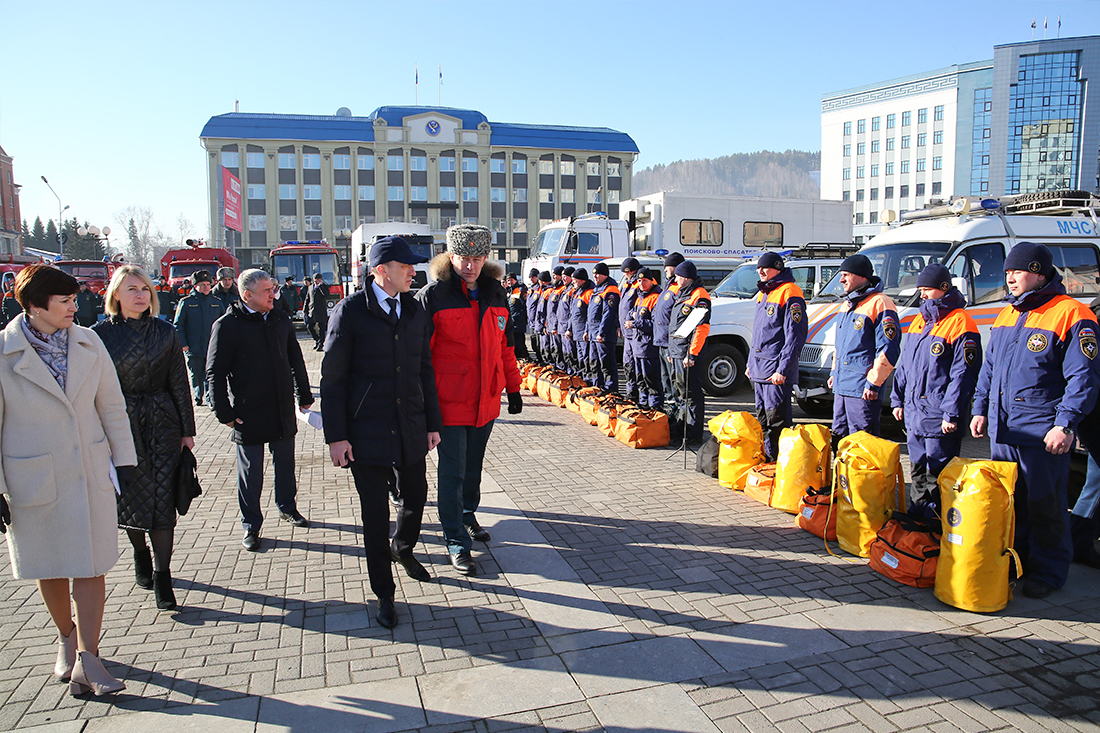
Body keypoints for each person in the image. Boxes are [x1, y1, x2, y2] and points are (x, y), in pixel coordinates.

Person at [0, 264, 137, 696]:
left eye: (75, 300)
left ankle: (88, 658)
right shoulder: (5, 351)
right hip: (34, 476)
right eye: (64, 302)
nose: (74, 308)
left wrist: (126, 463)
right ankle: (66, 635)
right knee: (52, 564)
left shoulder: (87, 340)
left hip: (88, 471)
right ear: (35, 306)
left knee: (92, 565)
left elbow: (111, 405)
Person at [322, 236, 443, 629]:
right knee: (374, 516)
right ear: (381, 270)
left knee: (417, 497)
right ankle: (384, 594)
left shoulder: (414, 309)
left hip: (409, 425)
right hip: (365, 433)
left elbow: (425, 369)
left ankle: (403, 548)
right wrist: (336, 436)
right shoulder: (350, 312)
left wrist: (432, 424)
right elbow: (332, 379)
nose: (413, 271)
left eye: (414, 265)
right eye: (405, 266)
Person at [971, 242, 1099, 599]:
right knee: (1012, 502)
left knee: (1045, 504)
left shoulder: (1071, 314)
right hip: (1005, 430)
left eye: (1018, 272)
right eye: (1008, 272)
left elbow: (1083, 378)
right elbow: (990, 369)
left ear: (1039, 273)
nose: (1010, 278)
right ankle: (1019, 560)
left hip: (1043, 432)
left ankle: (1050, 570)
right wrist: (980, 408)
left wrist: (1066, 424)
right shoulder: (1007, 314)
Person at [416, 225, 522, 576]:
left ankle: (467, 514)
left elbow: (506, 347)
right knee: (452, 471)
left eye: (478, 259)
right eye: (464, 258)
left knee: (473, 466)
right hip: (449, 403)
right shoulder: (434, 296)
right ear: (451, 257)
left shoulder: (495, 293)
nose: (471, 266)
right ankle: (455, 540)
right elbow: (421, 356)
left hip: (486, 401)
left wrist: (514, 387)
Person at [93, 266, 196, 611]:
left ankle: (163, 576)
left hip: (163, 423)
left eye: (144, 289)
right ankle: (141, 553)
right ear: (116, 295)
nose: (140, 295)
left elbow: (179, 384)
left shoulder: (164, 332)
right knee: (133, 500)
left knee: (163, 502)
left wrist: (187, 432)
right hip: (120, 425)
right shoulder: (98, 335)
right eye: (131, 289)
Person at [207, 269, 314, 551]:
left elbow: (295, 357)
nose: (273, 294)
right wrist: (224, 413)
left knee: (286, 465)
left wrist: (303, 393)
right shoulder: (227, 325)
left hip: (281, 407)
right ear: (247, 295)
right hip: (248, 411)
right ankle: (251, 525)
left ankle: (287, 507)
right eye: (267, 290)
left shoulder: (279, 318)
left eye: (274, 288)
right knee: (251, 473)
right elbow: (214, 373)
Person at [890, 264, 981, 514]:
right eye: (920, 290)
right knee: (918, 470)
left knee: (938, 475)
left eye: (927, 289)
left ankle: (938, 527)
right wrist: (897, 399)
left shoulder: (961, 323)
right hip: (915, 412)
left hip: (938, 416)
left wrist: (951, 413)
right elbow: (905, 364)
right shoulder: (921, 319)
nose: (923, 295)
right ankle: (919, 526)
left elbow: (963, 375)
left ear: (943, 288)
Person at [828, 254, 901, 442]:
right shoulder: (847, 304)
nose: (841, 279)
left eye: (846, 275)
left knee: (862, 442)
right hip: (842, 386)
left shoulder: (880, 303)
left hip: (862, 389)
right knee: (840, 438)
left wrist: (874, 383)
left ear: (861, 276)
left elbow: (888, 348)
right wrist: (834, 373)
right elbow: (841, 346)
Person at [748, 252, 808, 461]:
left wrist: (783, 369)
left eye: (765, 268)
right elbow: (758, 333)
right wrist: (750, 363)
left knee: (777, 421)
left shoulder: (790, 291)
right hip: (759, 368)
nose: (760, 271)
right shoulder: (764, 293)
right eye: (758, 268)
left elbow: (795, 336)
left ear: (778, 267)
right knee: (763, 419)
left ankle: (779, 466)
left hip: (775, 370)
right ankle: (768, 461)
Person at [667, 260, 711, 446]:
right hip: (677, 352)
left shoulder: (699, 296)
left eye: (677, 275)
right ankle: (682, 428)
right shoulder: (682, 294)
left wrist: (691, 354)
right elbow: (680, 327)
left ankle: (693, 433)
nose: (675, 278)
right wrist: (672, 351)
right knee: (680, 392)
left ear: (685, 277)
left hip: (687, 355)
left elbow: (700, 328)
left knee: (691, 395)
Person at [173, 270, 223, 406]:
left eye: (208, 284)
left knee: (210, 374)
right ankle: (197, 396)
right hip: (194, 347)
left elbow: (224, 325)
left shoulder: (216, 302)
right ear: (195, 286)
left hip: (212, 347)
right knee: (196, 375)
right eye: (202, 285)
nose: (206, 287)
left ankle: (210, 398)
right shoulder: (187, 303)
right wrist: (183, 344)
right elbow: (178, 325)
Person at [624, 267, 663, 409]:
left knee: (650, 380)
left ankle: (654, 408)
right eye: (639, 281)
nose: (641, 284)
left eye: (644, 280)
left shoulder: (655, 297)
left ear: (651, 280)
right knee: (640, 379)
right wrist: (633, 319)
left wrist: (635, 322)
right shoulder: (641, 297)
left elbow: (654, 324)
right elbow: (631, 313)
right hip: (637, 345)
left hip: (648, 347)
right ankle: (643, 404)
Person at [654, 252, 684, 414]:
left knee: (674, 381)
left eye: (668, 266)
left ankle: (677, 411)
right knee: (665, 379)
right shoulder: (668, 286)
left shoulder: (678, 289)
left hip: (670, 342)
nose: (665, 269)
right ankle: (671, 408)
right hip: (661, 341)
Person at [588, 262, 621, 393]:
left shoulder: (610, 290)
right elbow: (590, 313)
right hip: (593, 333)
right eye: (594, 274)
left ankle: (611, 389)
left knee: (607, 363)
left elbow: (608, 314)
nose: (595, 276)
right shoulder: (597, 289)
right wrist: (587, 331)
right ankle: (598, 386)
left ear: (605, 275)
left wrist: (601, 332)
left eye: (598, 274)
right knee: (595, 362)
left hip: (603, 335)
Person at [618, 257, 642, 401]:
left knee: (636, 365)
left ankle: (638, 395)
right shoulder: (628, 284)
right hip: (627, 331)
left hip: (635, 331)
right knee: (627, 363)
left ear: (631, 271)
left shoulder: (638, 284)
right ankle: (631, 392)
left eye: (625, 272)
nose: (624, 275)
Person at [569, 268, 595, 385]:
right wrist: (569, 329)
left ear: (581, 280)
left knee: (587, 358)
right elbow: (572, 313)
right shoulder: (577, 292)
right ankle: (582, 378)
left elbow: (590, 315)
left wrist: (587, 330)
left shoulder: (589, 293)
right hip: (576, 332)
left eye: (574, 280)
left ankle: (588, 381)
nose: (573, 282)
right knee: (580, 358)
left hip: (584, 332)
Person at [505, 271, 529, 360]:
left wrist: (525, 319)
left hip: (518, 321)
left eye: (511, 280)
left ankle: (526, 359)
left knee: (520, 344)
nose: (510, 282)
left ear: (515, 280)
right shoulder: (509, 291)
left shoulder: (520, 290)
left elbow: (525, 305)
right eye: (508, 280)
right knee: (513, 344)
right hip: (511, 322)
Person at [545, 266, 566, 369]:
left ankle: (561, 369)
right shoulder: (554, 289)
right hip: (551, 324)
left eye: (556, 275)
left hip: (557, 325)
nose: (553, 277)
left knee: (559, 350)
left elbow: (559, 310)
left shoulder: (562, 289)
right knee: (553, 349)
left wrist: (555, 325)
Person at [303, 272, 330, 350]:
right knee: (310, 326)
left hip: (321, 310)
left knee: (321, 328)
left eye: (318, 279)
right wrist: (305, 309)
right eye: (315, 280)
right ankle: (317, 340)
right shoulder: (310, 287)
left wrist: (320, 286)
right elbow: (307, 299)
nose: (316, 281)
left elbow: (326, 295)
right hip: (312, 310)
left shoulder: (324, 286)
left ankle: (321, 344)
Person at [557, 267, 577, 373]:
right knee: (565, 354)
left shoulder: (572, 291)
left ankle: (573, 374)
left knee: (571, 354)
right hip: (562, 327)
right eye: (563, 277)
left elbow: (571, 312)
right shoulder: (565, 289)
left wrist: (569, 328)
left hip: (568, 328)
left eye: (566, 277)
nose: (564, 279)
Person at [525, 268, 543, 364]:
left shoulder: (539, 289)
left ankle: (541, 360)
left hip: (537, 321)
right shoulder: (531, 289)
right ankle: (538, 358)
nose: (532, 279)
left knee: (539, 343)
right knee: (533, 343)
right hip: (531, 321)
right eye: (530, 277)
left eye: (534, 277)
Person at [537, 270, 554, 365]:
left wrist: (546, 324)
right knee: (543, 347)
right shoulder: (544, 291)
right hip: (542, 324)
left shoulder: (549, 291)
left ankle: (549, 366)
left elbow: (549, 311)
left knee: (547, 347)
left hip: (545, 324)